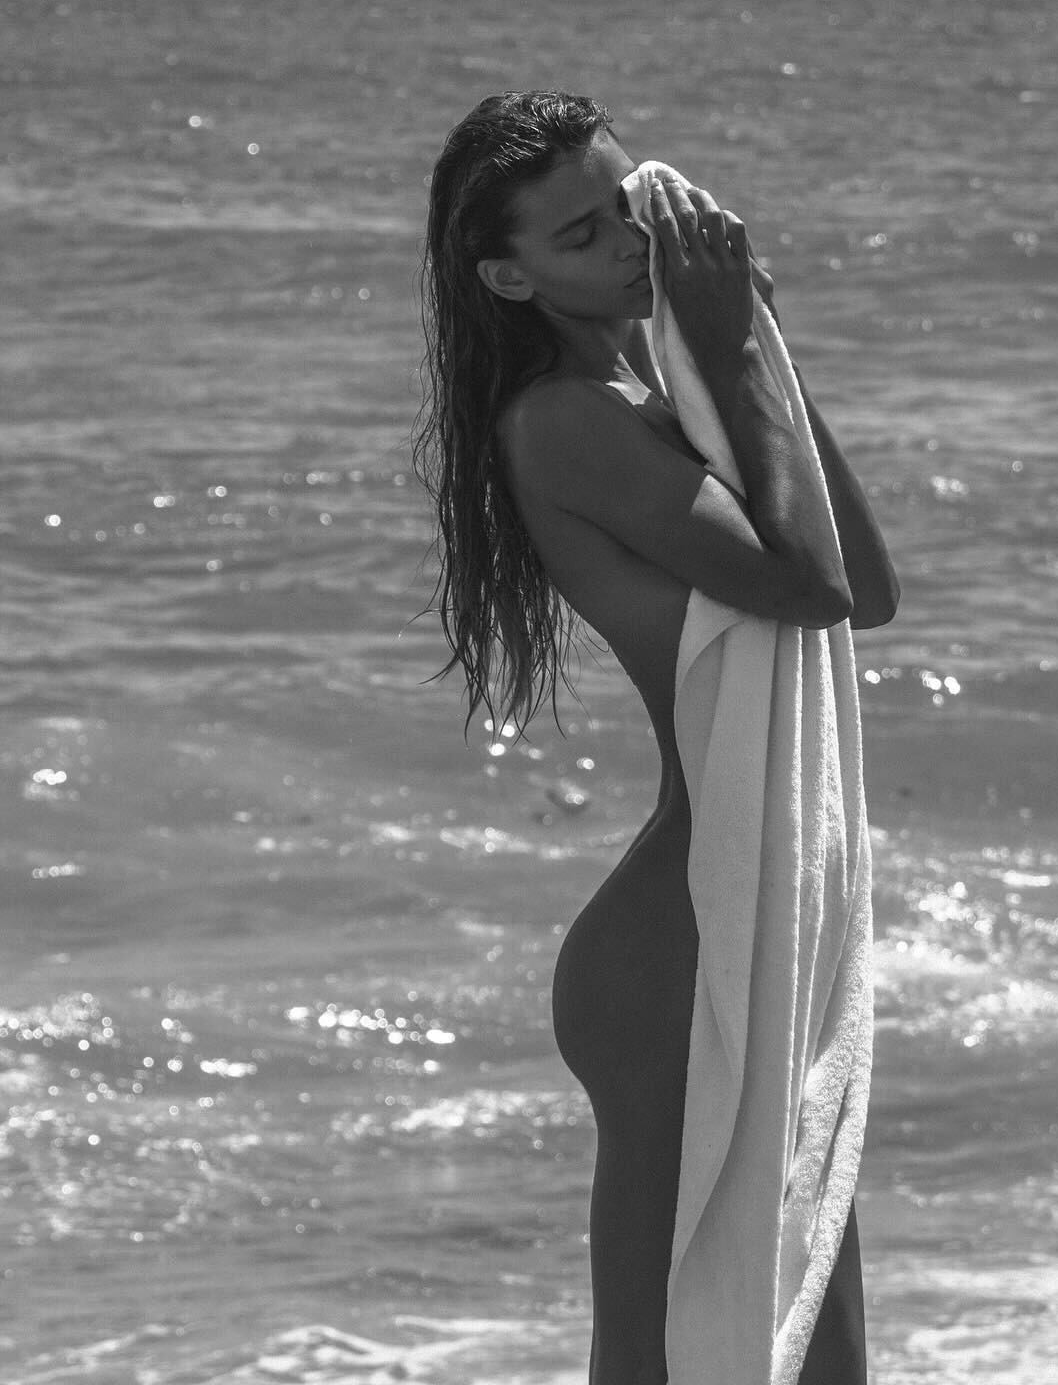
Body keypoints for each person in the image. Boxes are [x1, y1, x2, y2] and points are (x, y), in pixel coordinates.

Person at [415, 90, 898, 1385]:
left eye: (629, 210)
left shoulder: (659, 393)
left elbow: (868, 588)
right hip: (674, 955)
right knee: (655, 1356)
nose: (631, 246)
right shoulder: (563, 421)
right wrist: (733, 353)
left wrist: (762, 352)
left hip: (764, 921)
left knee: (820, 1346)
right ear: (510, 277)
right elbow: (808, 585)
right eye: (581, 236)